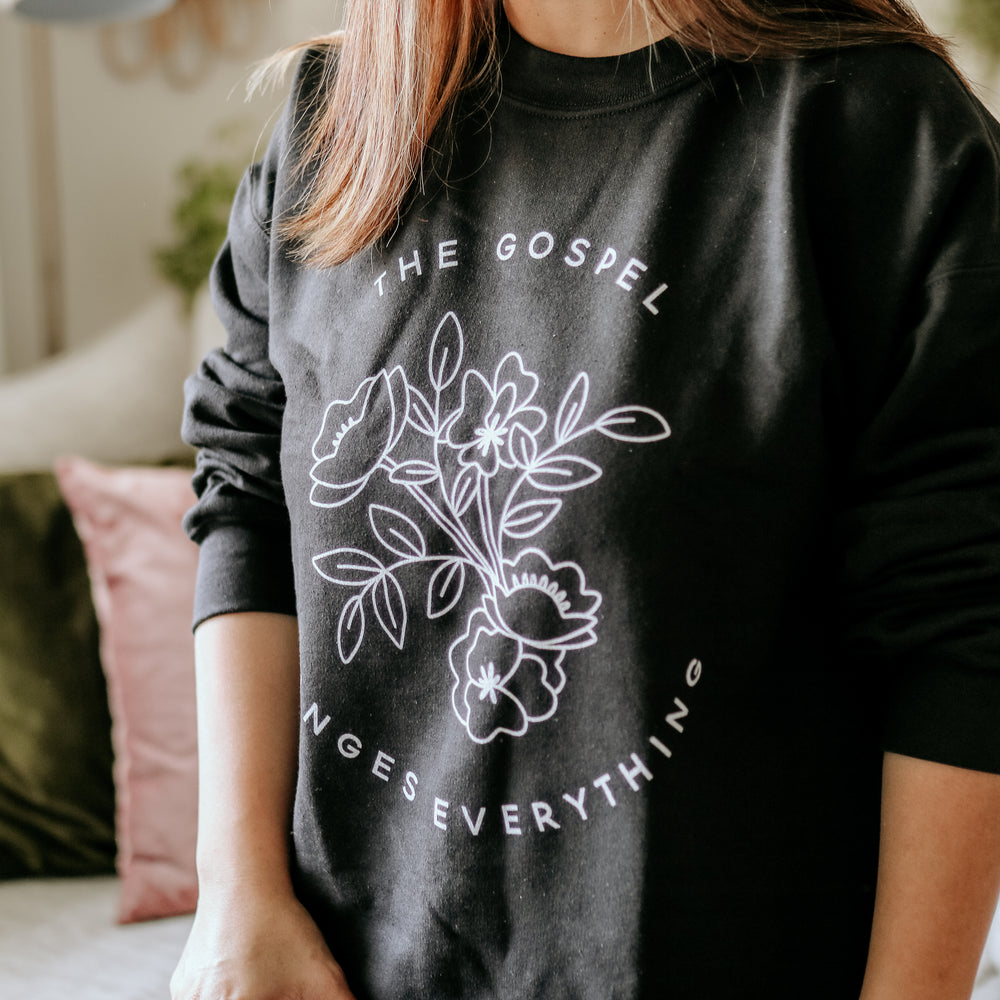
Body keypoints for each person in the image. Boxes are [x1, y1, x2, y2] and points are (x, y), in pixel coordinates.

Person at [171, 1, 1000, 998]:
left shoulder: (879, 131)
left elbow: (964, 623)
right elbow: (248, 493)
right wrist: (234, 894)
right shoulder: (335, 113)